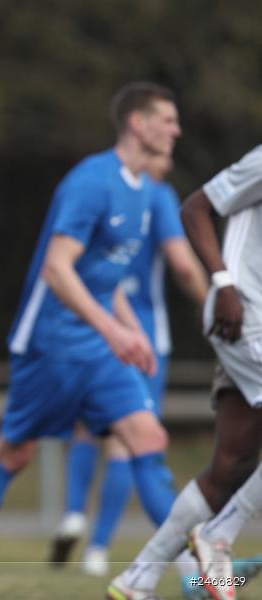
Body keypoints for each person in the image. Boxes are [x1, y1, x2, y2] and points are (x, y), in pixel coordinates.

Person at [0, 82, 183, 600]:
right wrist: (113, 328)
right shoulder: (92, 182)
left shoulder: (144, 192)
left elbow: (101, 277)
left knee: (149, 439)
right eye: (167, 119)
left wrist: (128, 329)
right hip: (51, 343)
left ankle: (197, 579)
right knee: (15, 451)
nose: (176, 130)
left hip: (97, 345)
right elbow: (57, 269)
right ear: (138, 123)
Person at [108, 145, 262, 600]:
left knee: (231, 466)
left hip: (250, 326)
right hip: (244, 314)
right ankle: (219, 538)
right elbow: (197, 205)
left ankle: (137, 580)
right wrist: (222, 282)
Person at [49, 153, 208, 579]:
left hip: (93, 326)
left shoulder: (100, 191)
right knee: (136, 441)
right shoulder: (156, 196)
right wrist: (214, 303)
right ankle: (103, 550)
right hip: (142, 336)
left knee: (90, 428)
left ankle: (74, 514)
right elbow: (182, 264)